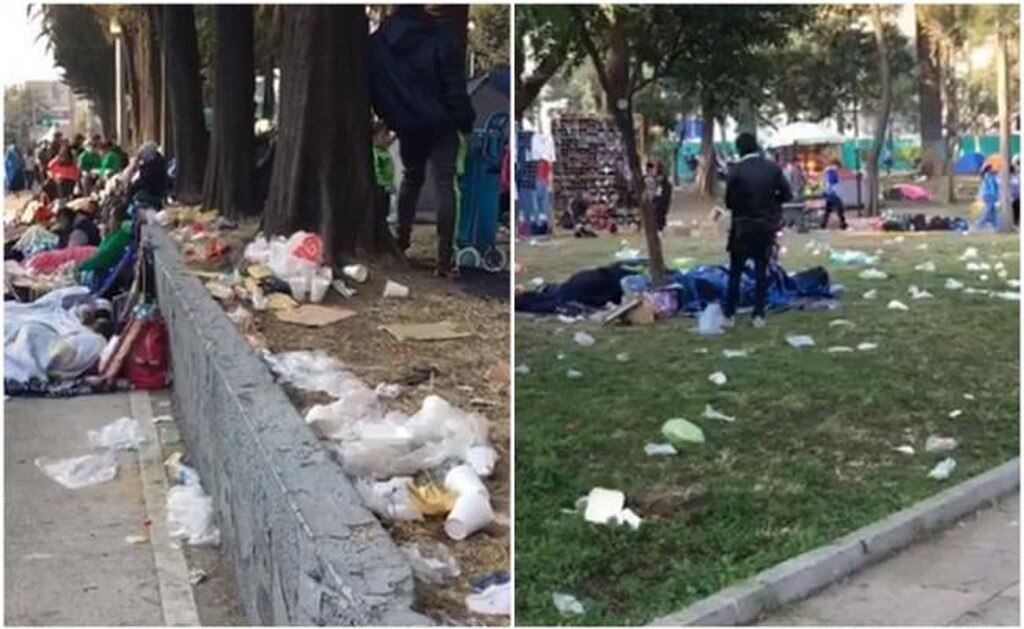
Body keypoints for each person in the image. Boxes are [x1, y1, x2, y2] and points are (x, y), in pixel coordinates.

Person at [369, 4, 475, 276]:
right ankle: (444, 259)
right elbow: (454, 85)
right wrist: (465, 121)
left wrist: (393, 117)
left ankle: (401, 241)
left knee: (411, 179)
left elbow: (376, 86)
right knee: (445, 184)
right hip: (442, 122)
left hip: (407, 124)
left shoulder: (379, 42)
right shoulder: (440, 34)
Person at [722, 132, 793, 328]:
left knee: (736, 271)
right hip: (765, 225)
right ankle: (758, 314)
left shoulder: (736, 171)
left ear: (739, 149)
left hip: (742, 226)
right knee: (762, 269)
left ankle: (730, 313)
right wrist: (771, 204)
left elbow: (729, 202)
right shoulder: (772, 168)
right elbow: (787, 194)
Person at [372, 120, 397, 224]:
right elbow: (376, 171)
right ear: (374, 138)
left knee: (387, 210)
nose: (388, 138)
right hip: (381, 187)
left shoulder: (383, 151)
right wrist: (382, 184)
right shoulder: (375, 153)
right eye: (384, 135)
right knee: (381, 210)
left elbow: (391, 140)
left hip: (387, 186)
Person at [820, 159, 847, 229]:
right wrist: (833, 191)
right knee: (839, 208)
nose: (839, 169)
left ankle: (823, 224)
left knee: (828, 209)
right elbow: (832, 183)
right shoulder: (831, 172)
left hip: (829, 193)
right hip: (833, 193)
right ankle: (843, 223)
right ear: (836, 165)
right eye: (838, 167)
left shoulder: (828, 171)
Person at [976, 164, 1001, 230]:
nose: (992, 169)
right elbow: (992, 187)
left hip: (987, 195)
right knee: (988, 210)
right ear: (988, 169)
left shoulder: (988, 176)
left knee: (993, 210)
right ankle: (980, 223)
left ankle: (996, 224)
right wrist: (995, 195)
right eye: (991, 168)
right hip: (989, 195)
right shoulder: (988, 176)